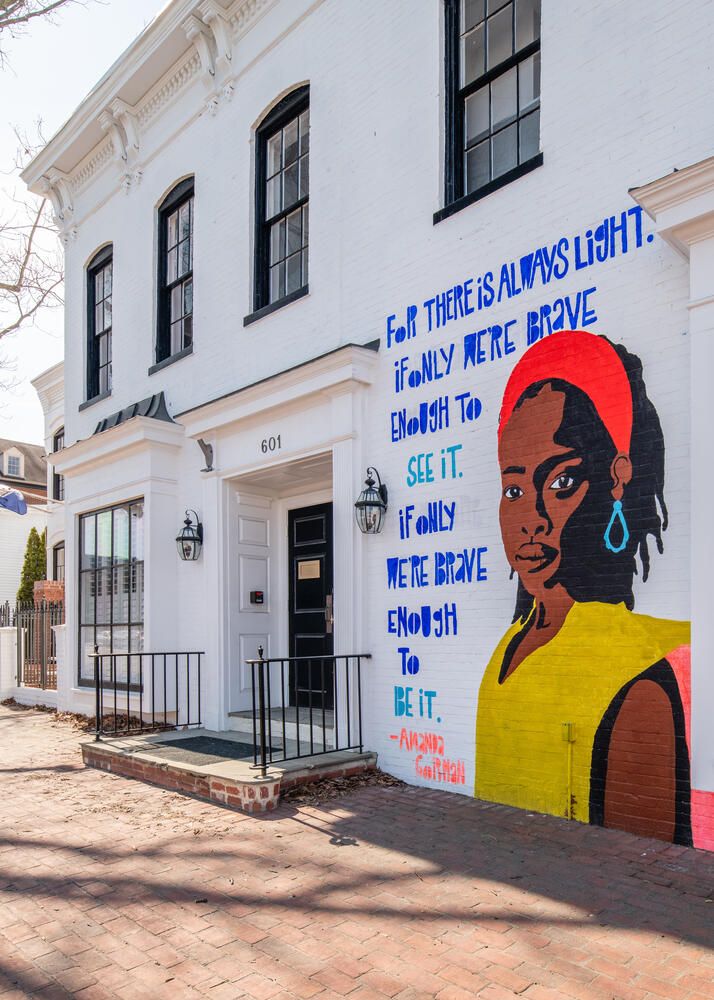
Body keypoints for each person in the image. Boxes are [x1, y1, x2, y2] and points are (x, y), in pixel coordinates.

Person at [475, 329, 694, 844]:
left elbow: (643, 867)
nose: (531, 518)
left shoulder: (636, 675)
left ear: (617, 477)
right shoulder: (512, 643)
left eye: (561, 483)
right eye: (513, 489)